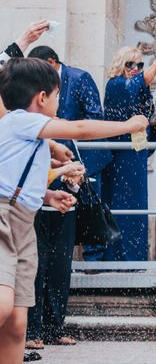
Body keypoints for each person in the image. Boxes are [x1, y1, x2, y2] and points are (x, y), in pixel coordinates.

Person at [0, 57, 148, 364]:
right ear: (41, 98)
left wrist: (49, 196)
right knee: (3, 305)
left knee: (17, 322)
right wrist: (128, 125)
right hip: (3, 219)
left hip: (23, 224)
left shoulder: (31, 136)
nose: (58, 103)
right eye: (57, 96)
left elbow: (14, 179)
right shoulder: (19, 120)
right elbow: (79, 128)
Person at [25, 46, 112, 350]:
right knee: (35, 267)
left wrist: (74, 176)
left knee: (61, 266)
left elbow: (81, 137)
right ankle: (31, 330)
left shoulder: (61, 126)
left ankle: (54, 327)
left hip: (66, 199)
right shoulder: (27, 123)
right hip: (34, 205)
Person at [100, 41, 156, 261]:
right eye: (131, 64)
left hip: (136, 155)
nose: (135, 68)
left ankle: (134, 260)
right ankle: (116, 260)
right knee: (120, 206)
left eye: (140, 65)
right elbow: (133, 89)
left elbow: (147, 121)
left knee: (137, 207)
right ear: (121, 65)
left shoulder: (142, 92)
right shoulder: (115, 84)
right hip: (118, 156)